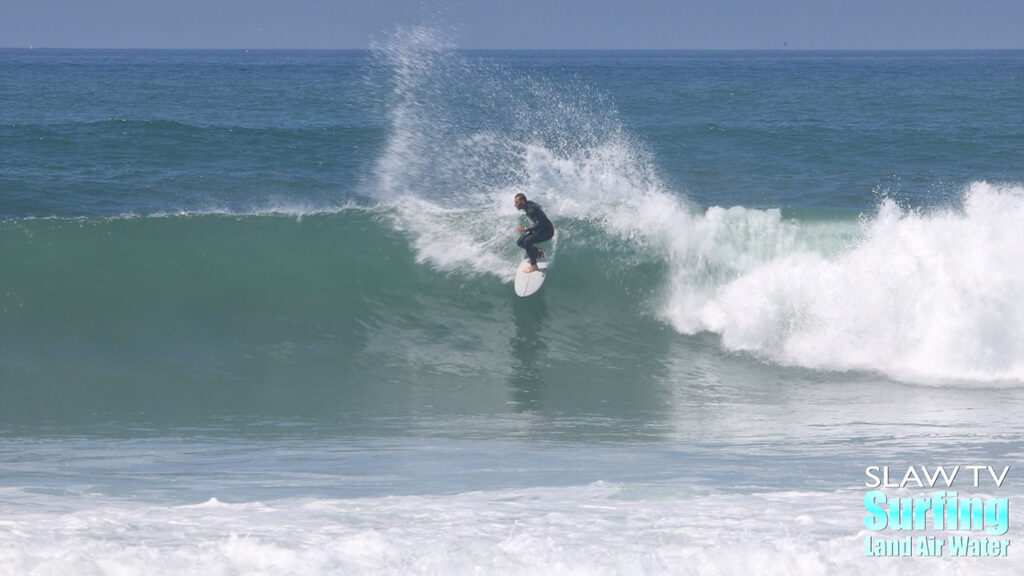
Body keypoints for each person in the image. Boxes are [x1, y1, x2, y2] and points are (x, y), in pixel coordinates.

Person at [514, 193, 554, 273]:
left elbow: (539, 223)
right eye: (515, 202)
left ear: (523, 201)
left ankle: (534, 266)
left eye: (517, 202)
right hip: (540, 229)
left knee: (527, 241)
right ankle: (536, 252)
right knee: (519, 242)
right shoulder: (529, 205)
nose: (515, 204)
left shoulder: (530, 210)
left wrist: (526, 229)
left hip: (547, 231)